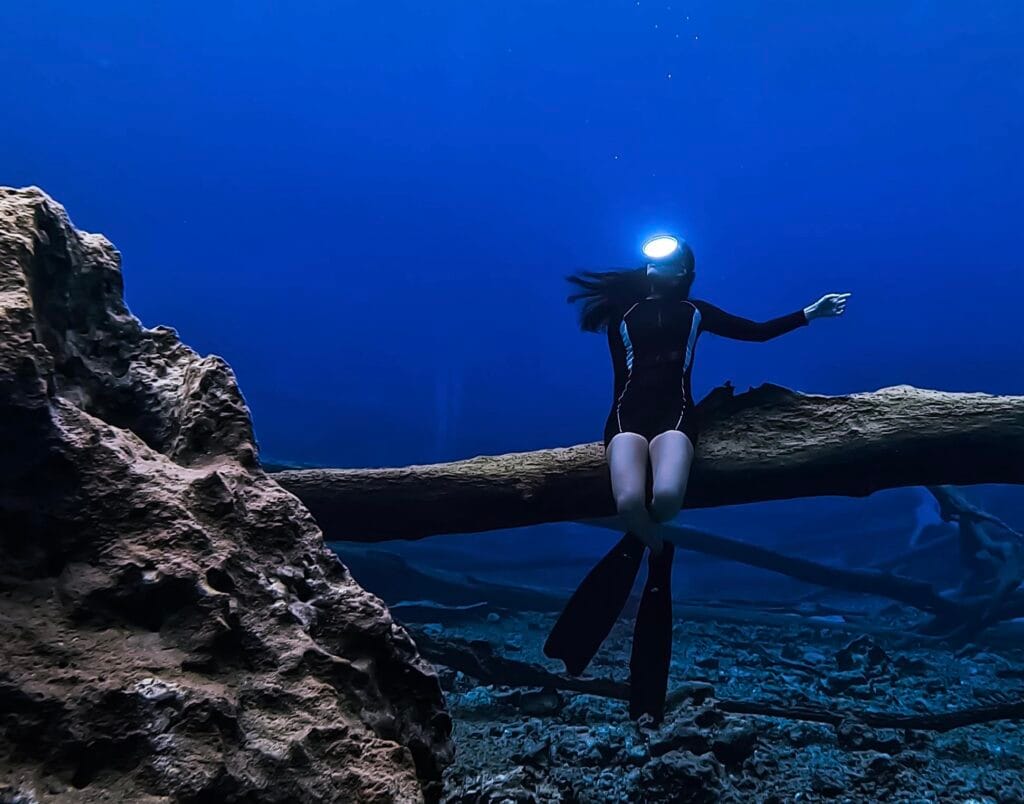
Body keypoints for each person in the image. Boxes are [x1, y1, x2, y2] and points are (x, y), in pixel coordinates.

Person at [544, 234, 850, 724]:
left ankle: (648, 547)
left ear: (682, 271)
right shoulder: (622, 318)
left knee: (664, 497)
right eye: (649, 261)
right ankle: (657, 554)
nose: (652, 268)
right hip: (625, 421)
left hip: (678, 420)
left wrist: (809, 313)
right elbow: (622, 379)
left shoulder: (696, 312)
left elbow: (755, 331)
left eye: (664, 261)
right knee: (628, 504)